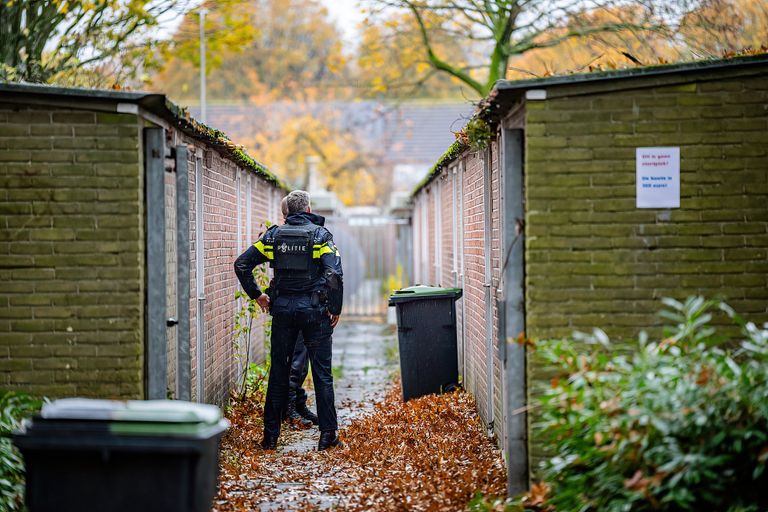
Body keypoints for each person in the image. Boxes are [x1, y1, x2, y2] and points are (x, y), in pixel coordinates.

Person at [234, 190, 343, 451]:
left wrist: (258, 296)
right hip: (315, 312)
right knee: (322, 374)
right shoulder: (320, 236)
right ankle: (328, 435)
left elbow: (242, 264)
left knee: (279, 372)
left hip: (282, 311)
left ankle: (270, 437)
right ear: (307, 209)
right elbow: (334, 272)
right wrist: (334, 308)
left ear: (289, 211)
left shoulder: (272, 236)